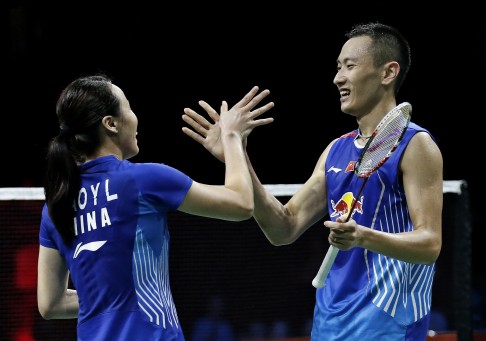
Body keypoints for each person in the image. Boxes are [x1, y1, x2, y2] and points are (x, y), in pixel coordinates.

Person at [181, 22, 443, 340]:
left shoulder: (416, 145)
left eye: (349, 66)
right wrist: (238, 155)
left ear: (388, 73)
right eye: (337, 68)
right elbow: (283, 228)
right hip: (329, 325)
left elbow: (430, 243)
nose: (338, 78)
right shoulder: (335, 150)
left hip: (387, 327)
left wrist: (363, 236)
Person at [37, 74, 274, 341]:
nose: (135, 118)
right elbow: (241, 204)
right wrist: (231, 139)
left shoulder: (55, 205)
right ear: (111, 123)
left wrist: (114, 297)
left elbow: (50, 304)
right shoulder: (144, 179)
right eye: (129, 107)